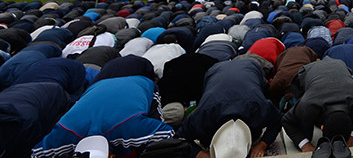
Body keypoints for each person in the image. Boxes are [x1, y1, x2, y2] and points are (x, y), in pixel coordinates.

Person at [33, 74, 174, 157]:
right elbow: (36, 153)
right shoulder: (63, 135)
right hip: (98, 87)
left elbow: (169, 136)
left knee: (159, 146)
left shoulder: (132, 128)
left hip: (140, 83)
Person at [177, 59, 282, 158]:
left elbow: (278, 119)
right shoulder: (203, 114)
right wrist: (200, 154)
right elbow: (180, 138)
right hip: (215, 71)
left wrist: (262, 144)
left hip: (250, 68)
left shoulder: (259, 107)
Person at [282, 57, 353, 156]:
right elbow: (286, 120)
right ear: (321, 127)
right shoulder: (308, 105)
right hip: (308, 71)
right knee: (306, 131)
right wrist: (305, 144)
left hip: (338, 66)